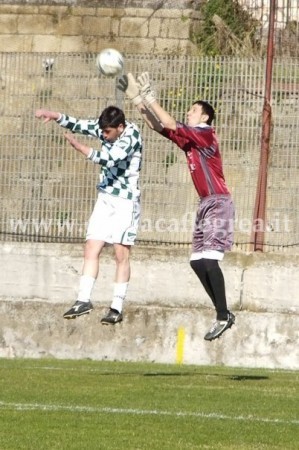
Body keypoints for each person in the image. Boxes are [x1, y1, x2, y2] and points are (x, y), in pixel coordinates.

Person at [117, 73, 235, 341]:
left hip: (218, 202)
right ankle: (223, 313)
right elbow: (160, 127)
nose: (189, 112)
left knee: (210, 259)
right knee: (196, 262)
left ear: (205, 117)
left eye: (194, 110)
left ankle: (222, 314)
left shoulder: (205, 134)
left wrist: (151, 98)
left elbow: (170, 121)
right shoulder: (191, 139)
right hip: (206, 204)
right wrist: (138, 100)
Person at [35, 106, 143, 325]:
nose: (103, 135)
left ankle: (116, 307)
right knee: (91, 247)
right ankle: (83, 299)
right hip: (105, 197)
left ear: (119, 128)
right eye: (102, 131)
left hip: (125, 201)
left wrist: (80, 147)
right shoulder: (107, 128)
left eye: (107, 133)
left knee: (121, 254)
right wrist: (56, 115)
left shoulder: (131, 135)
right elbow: (80, 124)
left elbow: (109, 159)